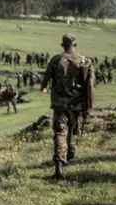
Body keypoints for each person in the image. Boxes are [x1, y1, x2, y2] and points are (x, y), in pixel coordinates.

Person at [40, 34, 95, 179]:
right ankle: (70, 155)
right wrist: (89, 107)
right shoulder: (86, 61)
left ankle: (59, 164)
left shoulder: (56, 60)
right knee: (73, 130)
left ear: (62, 45)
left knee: (60, 132)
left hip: (59, 104)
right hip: (77, 105)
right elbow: (90, 86)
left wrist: (44, 87)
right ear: (75, 44)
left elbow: (45, 81)